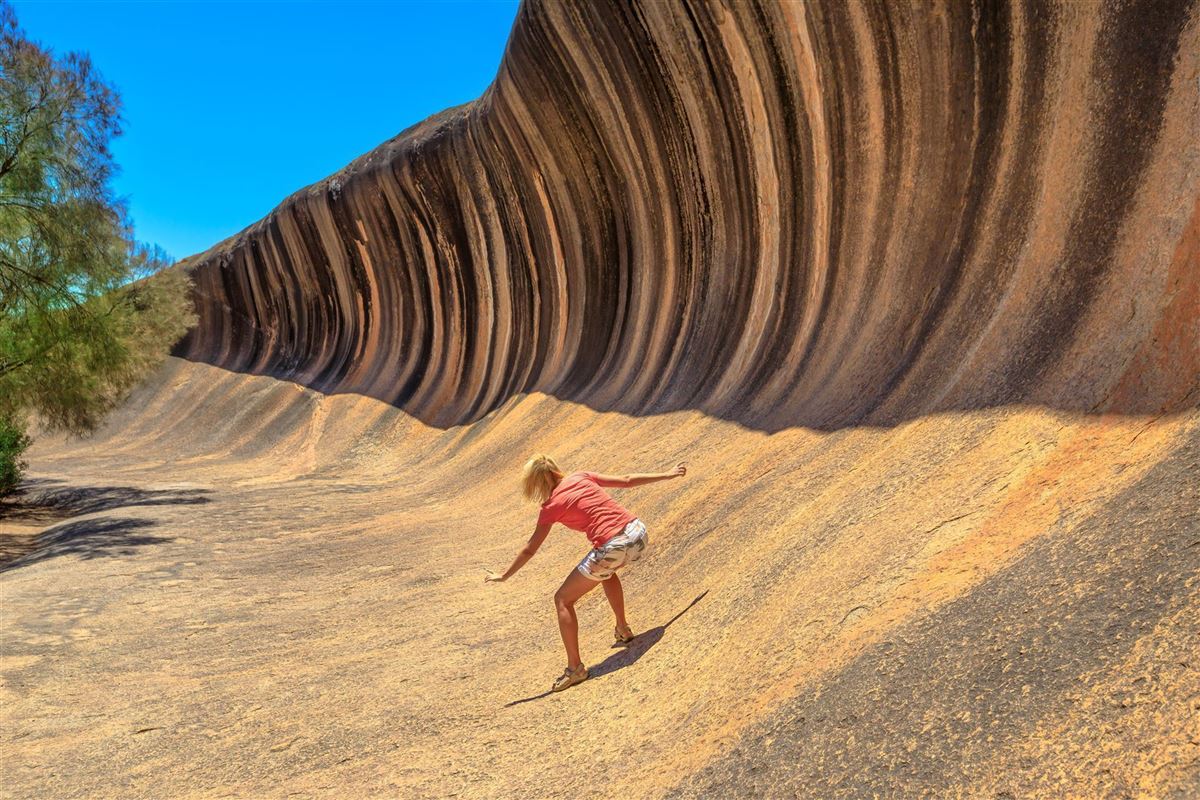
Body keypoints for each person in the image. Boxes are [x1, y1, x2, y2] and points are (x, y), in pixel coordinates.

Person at [484, 454, 687, 692]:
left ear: (537, 482)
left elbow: (530, 549)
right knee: (605, 571)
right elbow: (627, 479)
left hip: (615, 546)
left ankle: (575, 669)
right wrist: (668, 473)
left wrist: (505, 575)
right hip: (638, 533)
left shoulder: (550, 507)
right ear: (555, 469)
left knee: (563, 599)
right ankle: (622, 628)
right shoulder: (581, 476)